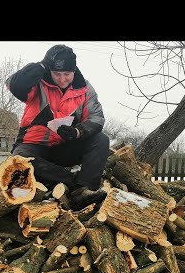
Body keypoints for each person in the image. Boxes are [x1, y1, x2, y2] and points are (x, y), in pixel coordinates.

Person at [6, 44, 109, 210]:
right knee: (20, 161)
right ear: (49, 70)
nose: (62, 79)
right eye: (57, 74)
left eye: (66, 74)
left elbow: (96, 118)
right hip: (33, 147)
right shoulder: (37, 82)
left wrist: (77, 132)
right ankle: (74, 185)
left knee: (101, 140)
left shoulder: (85, 89)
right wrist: (39, 66)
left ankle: (87, 188)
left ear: (74, 70)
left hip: (64, 147)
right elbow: (14, 85)